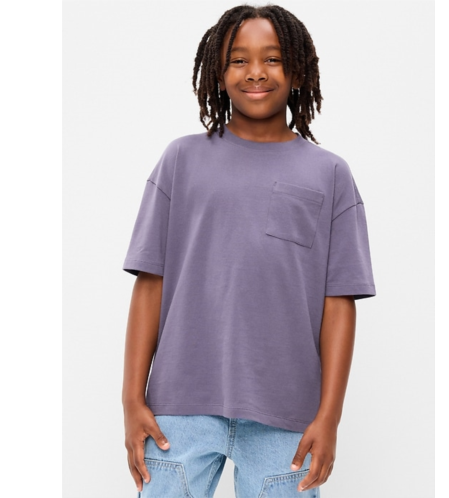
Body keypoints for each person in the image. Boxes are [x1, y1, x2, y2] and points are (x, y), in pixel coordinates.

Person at [122, 4, 376, 497]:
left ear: (298, 69)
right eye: (238, 60)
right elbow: (150, 282)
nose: (255, 71)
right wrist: (132, 400)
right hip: (179, 410)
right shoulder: (181, 159)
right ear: (218, 74)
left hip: (287, 417)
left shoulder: (330, 174)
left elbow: (339, 303)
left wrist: (329, 417)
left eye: (273, 58)